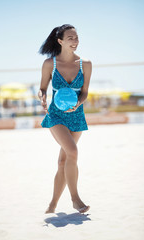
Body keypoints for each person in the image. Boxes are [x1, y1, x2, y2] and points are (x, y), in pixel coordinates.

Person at [38, 24, 92, 214]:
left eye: (76, 37)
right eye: (71, 38)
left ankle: (52, 205)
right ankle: (75, 199)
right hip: (56, 114)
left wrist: (78, 104)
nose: (75, 41)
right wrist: (42, 97)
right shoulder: (49, 64)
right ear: (60, 41)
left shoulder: (85, 64)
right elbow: (43, 88)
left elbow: (84, 92)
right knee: (73, 151)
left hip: (77, 114)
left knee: (63, 161)